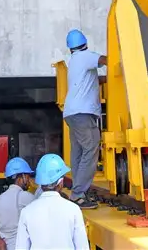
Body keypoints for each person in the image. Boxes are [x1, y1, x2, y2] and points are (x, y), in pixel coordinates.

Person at [63, 29, 106, 208]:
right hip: (83, 114)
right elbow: (105, 60)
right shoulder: (85, 56)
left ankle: (78, 190)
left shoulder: (74, 61)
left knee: (79, 152)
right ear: (84, 43)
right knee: (91, 148)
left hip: (71, 113)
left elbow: (90, 78)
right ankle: (78, 194)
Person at [15, 154, 89, 250]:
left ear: (40, 183)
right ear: (61, 183)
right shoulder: (73, 210)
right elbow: (82, 247)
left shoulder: (26, 212)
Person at [0, 157, 35, 250]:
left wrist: (1, 243)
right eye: (28, 177)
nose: (29, 181)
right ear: (21, 178)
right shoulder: (26, 196)